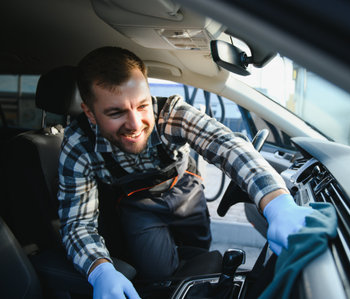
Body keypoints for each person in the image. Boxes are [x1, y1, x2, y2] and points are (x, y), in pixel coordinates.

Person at [58, 46, 313, 298]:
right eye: (116, 112)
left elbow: (228, 146)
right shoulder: (78, 145)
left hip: (186, 191)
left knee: (202, 255)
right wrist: (100, 270)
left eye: (142, 106)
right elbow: (78, 223)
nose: (136, 124)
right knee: (159, 278)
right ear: (90, 113)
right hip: (137, 204)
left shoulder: (170, 114)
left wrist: (278, 202)